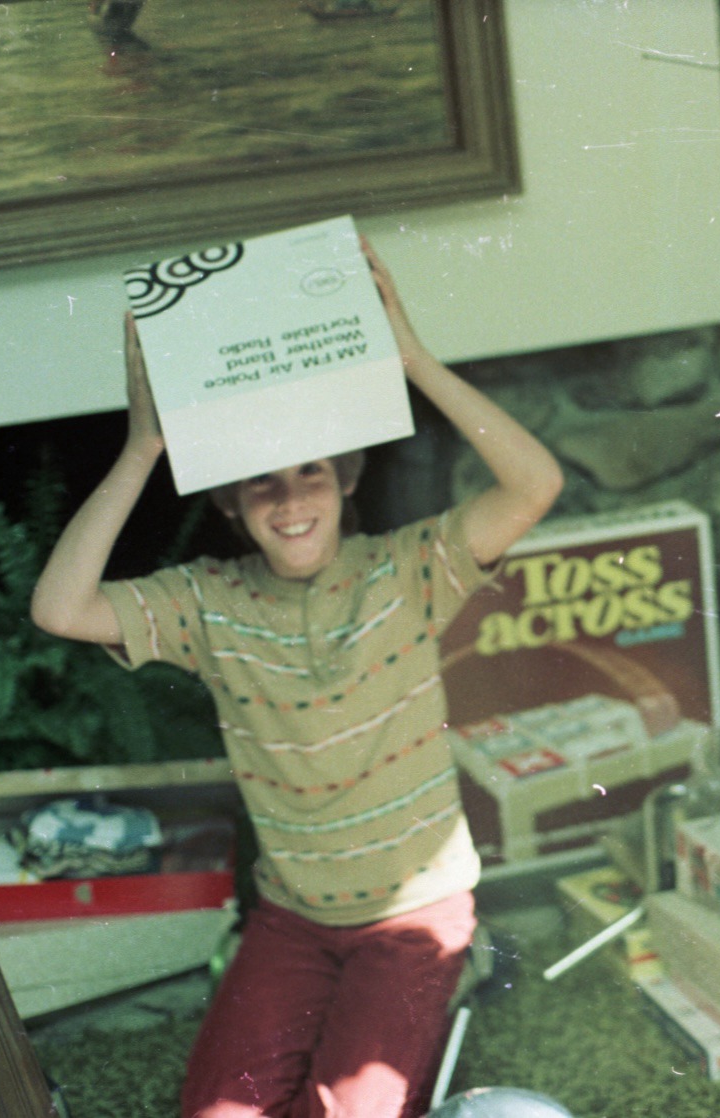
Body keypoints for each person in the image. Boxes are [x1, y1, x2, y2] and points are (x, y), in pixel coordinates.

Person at [31, 239, 563, 1118]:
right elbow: (58, 608)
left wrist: (413, 361)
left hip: (416, 915)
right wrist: (144, 445)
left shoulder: (409, 568)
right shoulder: (207, 601)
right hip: (294, 921)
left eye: (309, 472)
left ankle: (446, 994)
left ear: (346, 478)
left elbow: (536, 481)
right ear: (232, 504)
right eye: (261, 485)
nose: (290, 501)